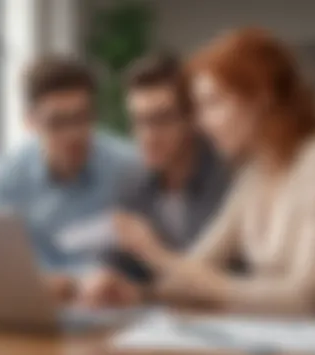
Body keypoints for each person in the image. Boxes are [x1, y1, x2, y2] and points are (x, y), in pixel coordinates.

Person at [113, 28, 315, 317]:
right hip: (279, 349)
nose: (200, 123)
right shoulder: (254, 176)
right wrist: (139, 293)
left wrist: (155, 254)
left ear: (260, 97)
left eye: (214, 103)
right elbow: (200, 264)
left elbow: (308, 298)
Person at [81, 52, 232, 307]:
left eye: (161, 119)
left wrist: (148, 261)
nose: (148, 136)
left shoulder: (229, 181)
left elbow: (221, 278)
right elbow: (116, 257)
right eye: (139, 121)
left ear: (193, 118)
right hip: (156, 325)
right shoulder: (133, 179)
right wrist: (102, 277)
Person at [0, 56, 136, 299]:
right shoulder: (4, 180)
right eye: (57, 122)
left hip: (113, 309)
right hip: (28, 307)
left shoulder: (129, 167)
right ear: (30, 121)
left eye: (82, 118)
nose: (73, 134)